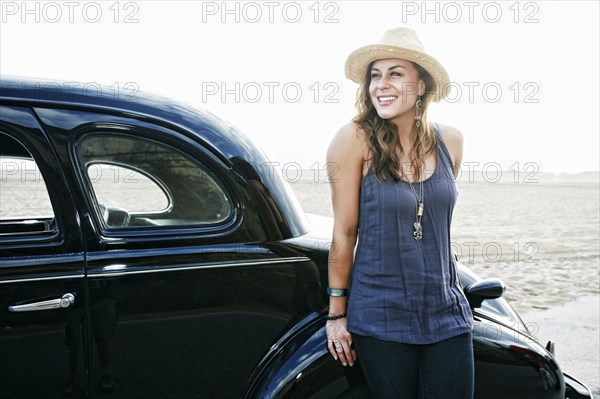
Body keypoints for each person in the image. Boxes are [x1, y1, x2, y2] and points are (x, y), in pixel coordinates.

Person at [325, 27, 474, 399]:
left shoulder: (450, 141)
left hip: (447, 313)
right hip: (381, 316)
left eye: (396, 73)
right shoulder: (353, 139)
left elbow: (429, 219)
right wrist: (336, 314)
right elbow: (344, 233)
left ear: (421, 85)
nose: (381, 84)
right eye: (375, 75)